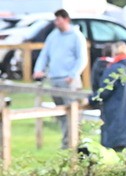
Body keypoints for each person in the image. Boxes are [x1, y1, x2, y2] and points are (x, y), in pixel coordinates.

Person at [31, 9, 88, 149]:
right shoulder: (53, 36)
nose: (56, 23)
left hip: (69, 80)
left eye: (59, 20)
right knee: (61, 113)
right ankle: (67, 142)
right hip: (54, 78)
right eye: (55, 20)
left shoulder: (76, 36)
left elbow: (82, 58)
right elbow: (45, 54)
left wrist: (73, 74)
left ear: (66, 19)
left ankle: (73, 143)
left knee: (73, 112)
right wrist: (38, 69)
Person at [92, 41, 126, 161]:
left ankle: (124, 167)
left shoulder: (115, 68)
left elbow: (105, 90)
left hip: (118, 111)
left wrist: (92, 99)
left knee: (117, 146)